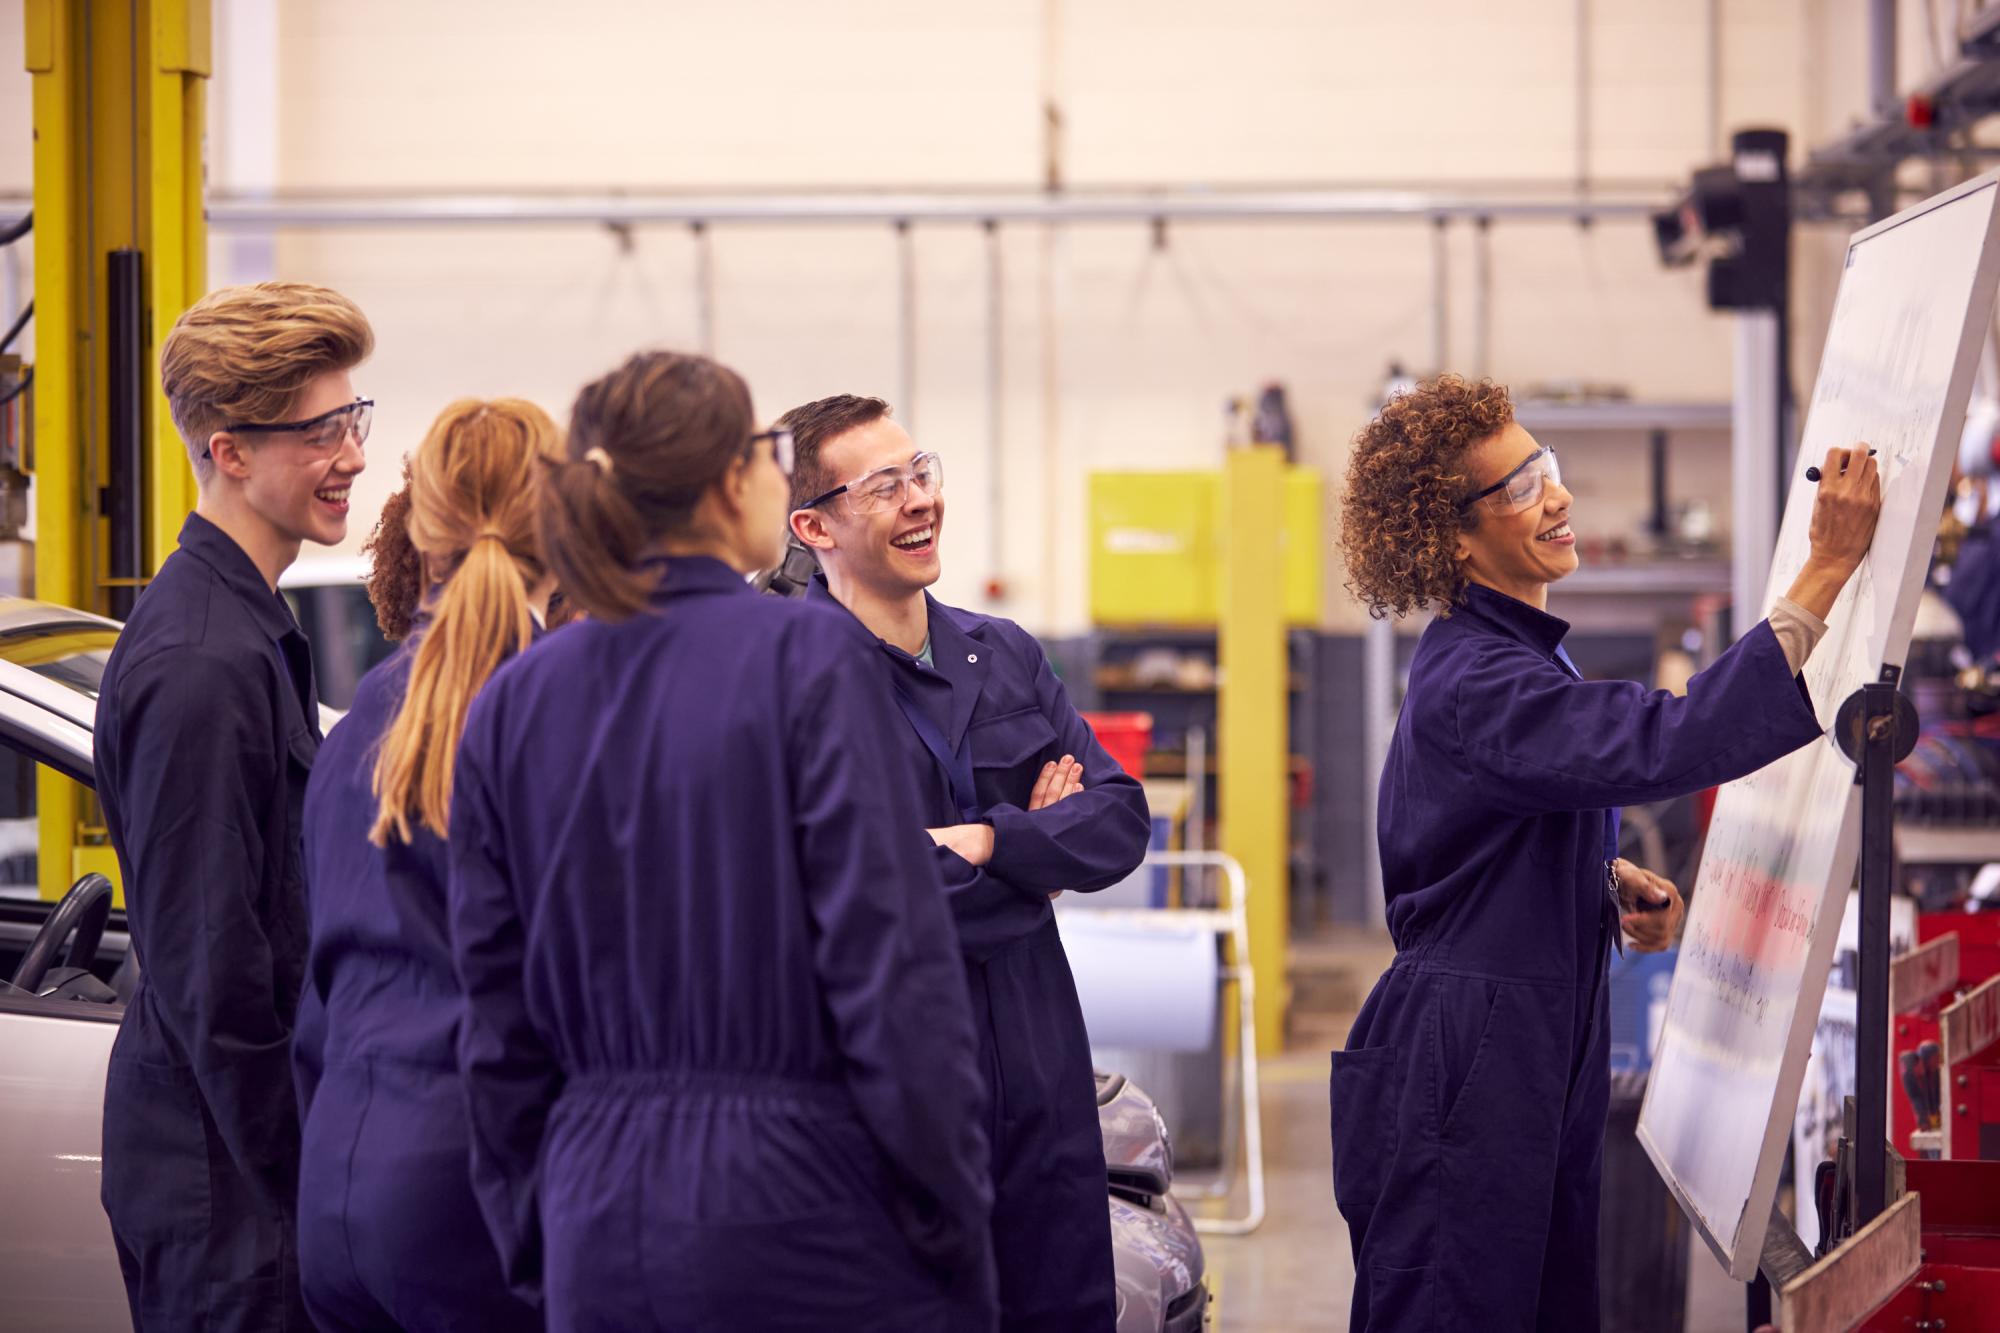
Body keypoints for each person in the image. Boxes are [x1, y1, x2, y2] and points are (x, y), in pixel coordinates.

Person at [447, 352, 997, 1331]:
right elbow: (890, 968)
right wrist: (954, 1213)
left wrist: (540, 1231)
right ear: (722, 481)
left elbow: (494, 1015)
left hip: (595, 1215)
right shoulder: (807, 656)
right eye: (763, 449)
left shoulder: (512, 701)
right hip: (800, 1208)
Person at [1330, 374, 1883, 1332]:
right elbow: (1661, 740)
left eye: (1547, 465)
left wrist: (1601, 881)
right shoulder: (1480, 677)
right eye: (1517, 487)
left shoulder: (1522, 652)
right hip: (1465, 1060)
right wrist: (1822, 573)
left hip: (1525, 1043)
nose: (1556, 494)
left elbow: (1490, 836)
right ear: (1454, 538)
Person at [779, 393, 1150, 1333]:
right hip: (884, 1087)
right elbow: (845, 888)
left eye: (922, 472)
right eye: (882, 486)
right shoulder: (787, 678)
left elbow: (1119, 820)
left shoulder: (1005, 655)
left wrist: (993, 842)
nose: (919, 500)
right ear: (812, 524)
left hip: (1038, 1075)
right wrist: (1035, 874)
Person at [96, 281, 373, 1331]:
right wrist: (308, 1179)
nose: (350, 454)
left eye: (353, 419)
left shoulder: (245, 626)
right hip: (233, 1199)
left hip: (243, 1178)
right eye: (319, 431)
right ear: (231, 450)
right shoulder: (203, 662)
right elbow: (213, 971)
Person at [294, 399, 560, 1332]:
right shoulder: (559, 714)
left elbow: (320, 993)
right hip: (480, 1200)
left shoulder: (363, 714)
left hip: (337, 1188)